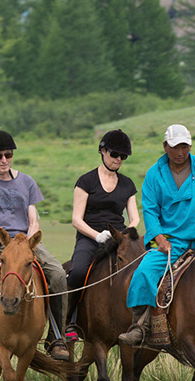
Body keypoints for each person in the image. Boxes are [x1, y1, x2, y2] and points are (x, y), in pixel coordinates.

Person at [117, 124, 195, 358]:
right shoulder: (155, 173)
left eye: (184, 146)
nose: (180, 152)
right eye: (175, 147)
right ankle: (140, 327)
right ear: (165, 147)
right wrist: (160, 239)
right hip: (171, 243)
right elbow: (151, 211)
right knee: (144, 273)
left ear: (190, 146)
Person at [0, 128, 69, 362]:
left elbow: (34, 221)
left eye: (8, 155)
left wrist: (28, 246)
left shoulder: (26, 182)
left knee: (58, 275)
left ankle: (57, 336)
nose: (4, 160)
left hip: (23, 245)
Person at [56, 129, 139, 342]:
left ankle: (142, 322)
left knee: (142, 270)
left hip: (119, 238)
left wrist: (125, 235)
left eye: (123, 156)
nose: (118, 159)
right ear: (102, 151)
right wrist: (96, 236)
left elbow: (135, 219)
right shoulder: (86, 181)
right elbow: (76, 219)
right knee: (78, 272)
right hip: (90, 237)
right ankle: (69, 322)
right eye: (114, 154)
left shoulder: (128, 184)